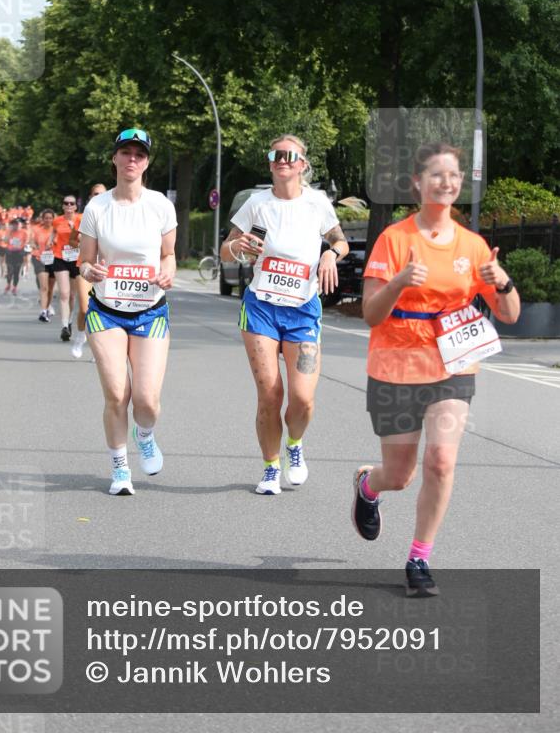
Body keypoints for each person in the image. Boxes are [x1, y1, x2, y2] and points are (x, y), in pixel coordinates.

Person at [352, 143, 520, 597]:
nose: (446, 183)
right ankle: (369, 486)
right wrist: (400, 282)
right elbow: (370, 312)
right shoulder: (395, 239)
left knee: (441, 461)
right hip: (395, 365)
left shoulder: (473, 245)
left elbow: (509, 313)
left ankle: (419, 560)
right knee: (400, 475)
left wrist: (501, 280)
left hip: (452, 366)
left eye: (454, 176)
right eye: (436, 175)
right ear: (417, 183)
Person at [220, 134, 349, 495]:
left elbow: (340, 241)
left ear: (302, 165)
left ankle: (295, 444)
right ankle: (270, 467)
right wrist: (236, 245)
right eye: (275, 154)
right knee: (270, 395)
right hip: (261, 307)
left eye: (289, 155)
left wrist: (329, 255)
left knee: (303, 399)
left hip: (303, 310)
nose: (281, 159)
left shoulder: (317, 203)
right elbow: (226, 252)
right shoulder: (256, 204)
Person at [78, 128, 177, 495]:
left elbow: (168, 254)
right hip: (105, 311)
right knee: (117, 393)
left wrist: (168, 270)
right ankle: (120, 469)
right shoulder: (97, 208)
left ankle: (145, 434)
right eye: (125, 152)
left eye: (139, 153)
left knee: (147, 400)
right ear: (115, 159)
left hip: (150, 311)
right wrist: (90, 271)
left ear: (147, 162)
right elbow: (84, 262)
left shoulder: (160, 206)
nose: (132, 158)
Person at [72, 183, 108, 359]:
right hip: (86, 267)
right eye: (95, 193)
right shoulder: (82, 217)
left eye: (102, 193)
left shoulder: (114, 215)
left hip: (107, 270)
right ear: (89, 197)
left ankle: (98, 347)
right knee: (85, 309)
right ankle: (80, 337)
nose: (98, 196)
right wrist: (82, 245)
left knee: (104, 311)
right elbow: (72, 239)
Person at [48, 195, 83, 341]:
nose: (68, 205)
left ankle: (69, 322)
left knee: (73, 296)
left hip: (76, 258)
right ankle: (63, 326)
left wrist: (75, 233)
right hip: (60, 257)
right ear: (62, 206)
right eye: (66, 203)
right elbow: (53, 234)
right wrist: (52, 241)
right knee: (64, 293)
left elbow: (85, 237)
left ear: (76, 206)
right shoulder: (57, 221)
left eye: (71, 203)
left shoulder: (81, 219)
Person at [30, 209, 56, 322]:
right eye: (46, 218)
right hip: (39, 258)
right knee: (44, 287)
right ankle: (43, 311)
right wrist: (34, 246)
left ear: (53, 219)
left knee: (50, 289)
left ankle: (47, 308)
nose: (48, 220)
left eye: (50, 218)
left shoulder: (56, 230)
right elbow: (31, 242)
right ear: (43, 219)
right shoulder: (37, 229)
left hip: (54, 260)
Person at [4, 219, 28, 295]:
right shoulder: (9, 231)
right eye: (13, 224)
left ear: (19, 225)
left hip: (19, 253)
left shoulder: (24, 232)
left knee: (16, 271)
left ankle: (14, 287)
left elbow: (26, 242)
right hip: (10, 253)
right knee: (10, 270)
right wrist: (9, 232)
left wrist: (24, 250)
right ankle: (8, 284)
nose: (15, 226)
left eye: (17, 224)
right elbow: (5, 241)